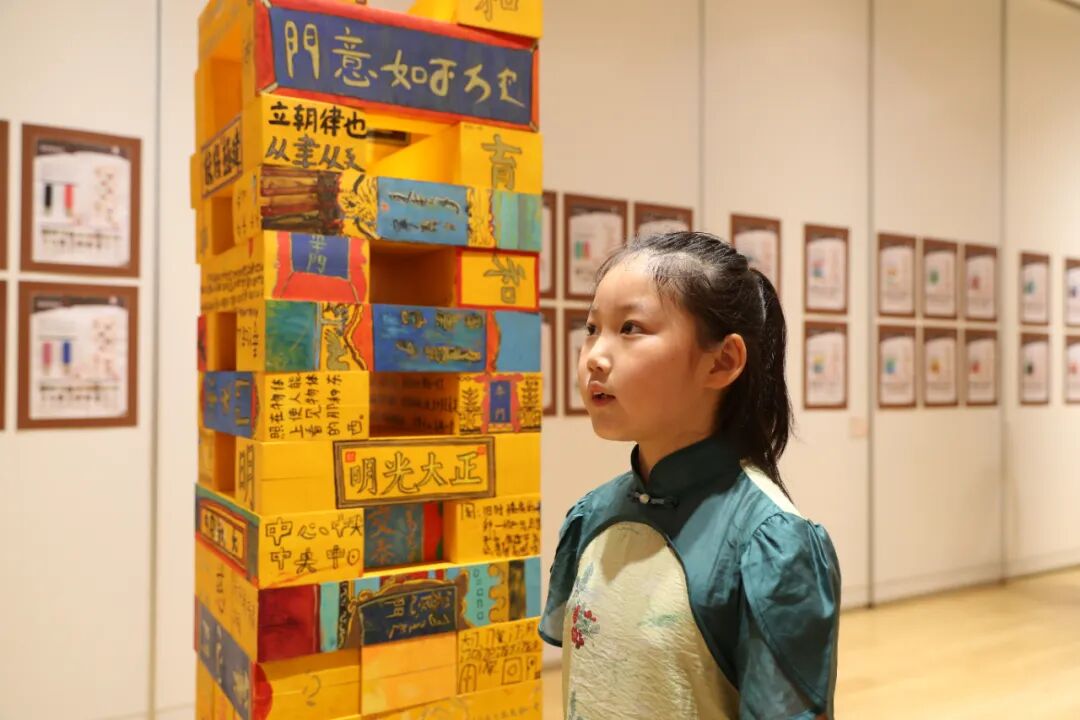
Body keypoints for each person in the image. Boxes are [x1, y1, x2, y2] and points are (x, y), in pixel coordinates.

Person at [539, 231, 841, 719]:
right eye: (592, 328)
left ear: (722, 362)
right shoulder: (591, 515)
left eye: (630, 328)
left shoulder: (772, 544)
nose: (594, 355)